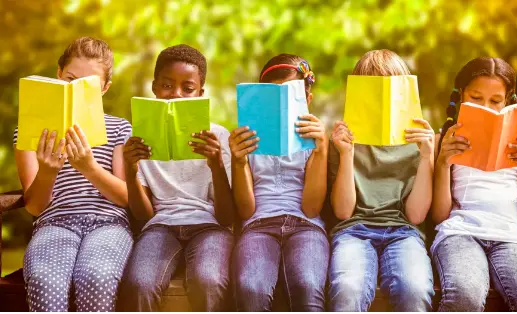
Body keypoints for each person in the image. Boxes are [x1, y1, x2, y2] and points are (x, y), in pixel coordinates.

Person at [15, 36, 133, 312]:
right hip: (54, 222)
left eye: (88, 85)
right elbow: (34, 206)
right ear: (58, 75)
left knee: (96, 276)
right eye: (70, 78)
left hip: (108, 225)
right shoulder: (29, 131)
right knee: (45, 280)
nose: (75, 87)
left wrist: (89, 168)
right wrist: (48, 171)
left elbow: (126, 197)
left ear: (104, 88)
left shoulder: (119, 129)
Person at [117, 44, 234, 311]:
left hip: (210, 226)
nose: (176, 95)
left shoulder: (218, 136)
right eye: (167, 86)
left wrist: (215, 165)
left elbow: (227, 217)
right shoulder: (136, 140)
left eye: (188, 89)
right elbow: (144, 215)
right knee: (140, 283)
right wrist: (131, 170)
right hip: (160, 226)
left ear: (201, 94)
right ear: (154, 88)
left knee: (209, 280)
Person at [431, 56, 517, 311]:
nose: (486, 106)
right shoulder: (445, 139)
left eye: (495, 101)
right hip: (460, 233)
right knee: (464, 296)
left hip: (512, 237)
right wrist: (442, 164)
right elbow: (440, 215)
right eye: (475, 98)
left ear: (507, 102)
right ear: (461, 95)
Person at [327, 49, 435, 311]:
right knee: (347, 289)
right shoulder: (344, 141)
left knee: (415, 289)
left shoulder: (417, 141)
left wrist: (426, 157)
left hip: (403, 232)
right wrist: (347, 154)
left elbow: (416, 215)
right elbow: (343, 211)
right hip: (353, 230)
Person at [230, 53, 329, 311]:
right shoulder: (247, 138)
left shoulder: (313, 141)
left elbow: (311, 208)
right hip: (258, 225)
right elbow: (245, 211)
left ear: (307, 99)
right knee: (252, 288)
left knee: (307, 286)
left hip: (305, 225)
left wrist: (321, 151)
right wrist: (239, 161)